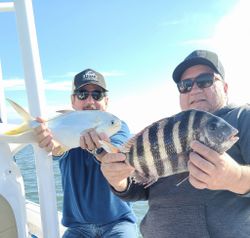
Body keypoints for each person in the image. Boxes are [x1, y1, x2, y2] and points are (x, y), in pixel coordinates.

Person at [100, 50, 250, 238]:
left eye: (205, 80)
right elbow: (141, 189)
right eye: (185, 85)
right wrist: (118, 181)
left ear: (225, 87)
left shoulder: (242, 117)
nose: (194, 89)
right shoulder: (169, 128)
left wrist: (234, 177)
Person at [35, 68, 137, 238]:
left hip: (118, 223)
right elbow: (58, 150)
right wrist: (50, 145)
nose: (90, 101)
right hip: (77, 228)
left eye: (97, 94)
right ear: (73, 100)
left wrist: (99, 149)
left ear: (106, 101)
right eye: (82, 94)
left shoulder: (116, 126)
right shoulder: (63, 127)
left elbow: (118, 157)